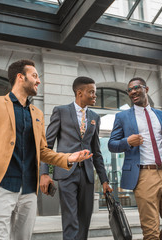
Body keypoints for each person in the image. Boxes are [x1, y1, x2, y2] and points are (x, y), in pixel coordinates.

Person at [0, 60, 92, 240]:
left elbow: (43, 151)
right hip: (0, 184)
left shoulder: (36, 113)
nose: (38, 81)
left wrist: (69, 158)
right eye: (35, 76)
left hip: (29, 189)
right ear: (20, 77)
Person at [108, 77, 162, 240]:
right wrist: (127, 141)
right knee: (151, 232)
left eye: (136, 87)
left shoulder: (161, 115)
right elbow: (112, 144)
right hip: (144, 175)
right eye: (129, 90)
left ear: (146, 89)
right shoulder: (123, 117)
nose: (133, 91)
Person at [40, 76, 112, 240]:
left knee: (84, 219)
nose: (95, 96)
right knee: (71, 219)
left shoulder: (95, 117)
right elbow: (47, 145)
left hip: (87, 175)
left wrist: (104, 180)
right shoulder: (61, 111)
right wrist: (44, 174)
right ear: (80, 93)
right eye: (91, 92)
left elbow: (97, 151)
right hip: (66, 172)